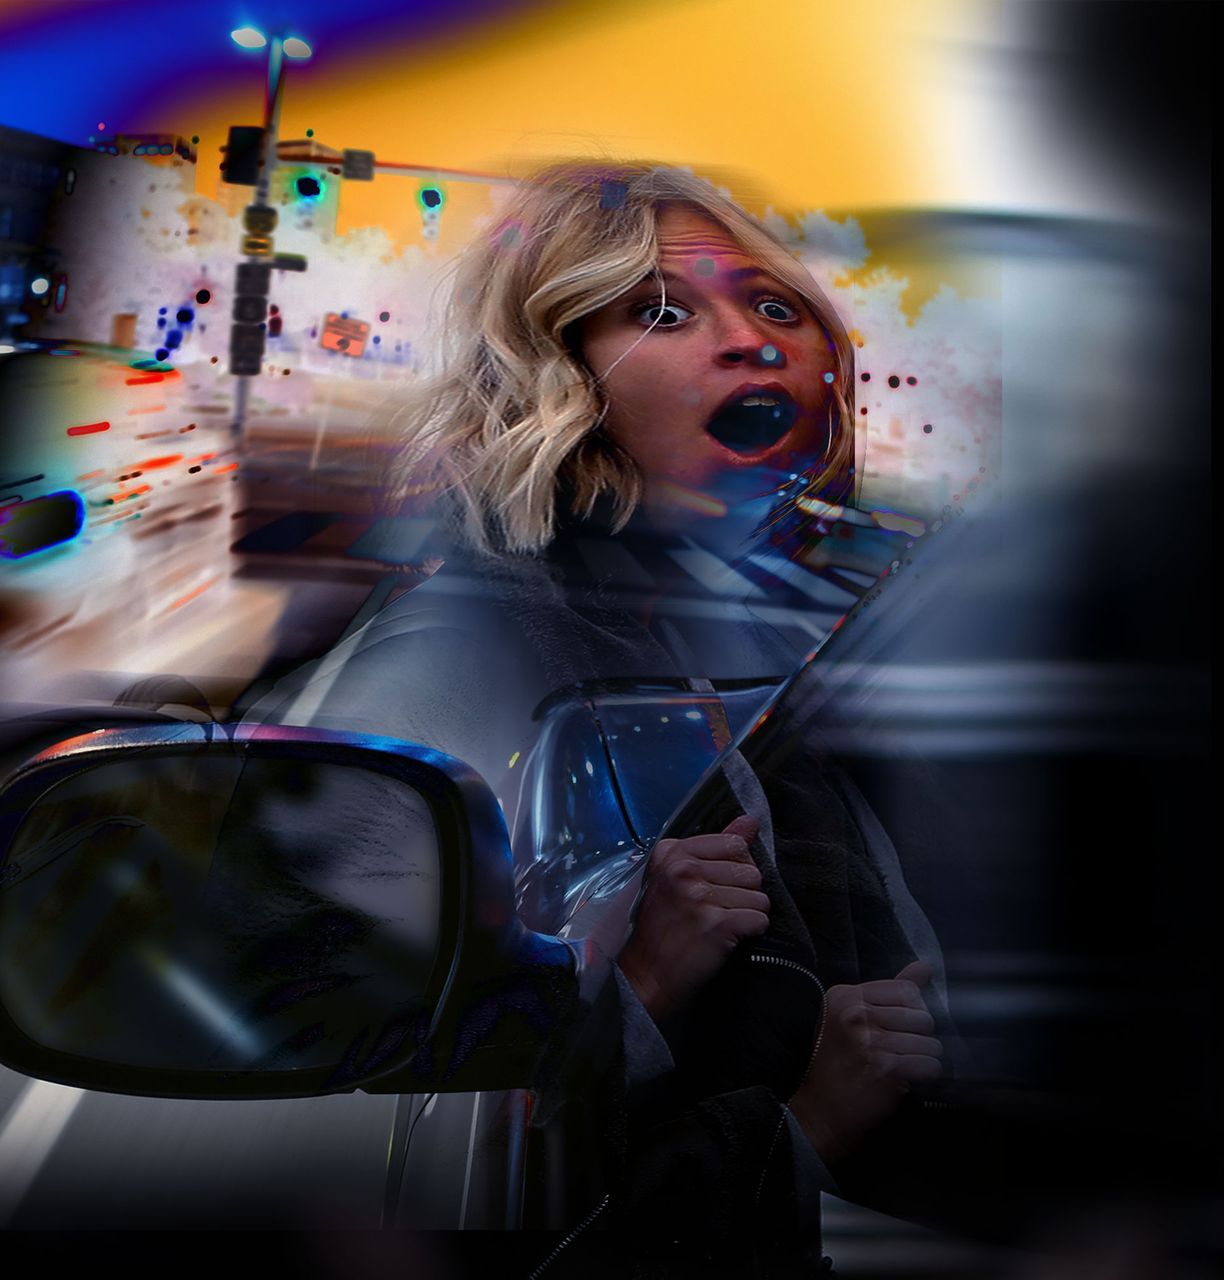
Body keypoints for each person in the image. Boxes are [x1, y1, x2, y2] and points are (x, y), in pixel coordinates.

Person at [243, 160, 953, 1270]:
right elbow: (342, 1021)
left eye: (776, 306)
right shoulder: (460, 645)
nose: (754, 340)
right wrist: (654, 996)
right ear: (554, 372)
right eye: (662, 312)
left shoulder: (775, 639)